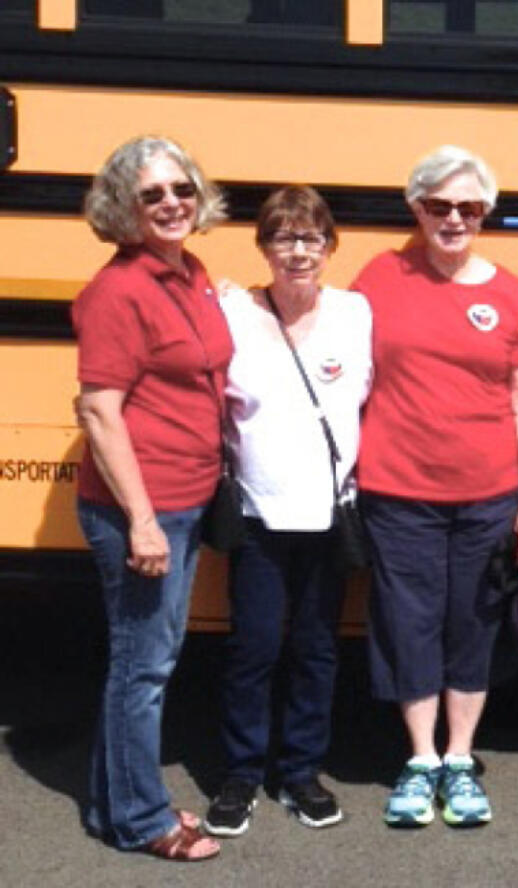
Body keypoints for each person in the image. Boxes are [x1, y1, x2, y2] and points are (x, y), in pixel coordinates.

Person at [352, 145, 518, 828]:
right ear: (417, 209)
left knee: (472, 624)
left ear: (487, 213)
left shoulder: (511, 295)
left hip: (488, 493)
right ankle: (419, 760)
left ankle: (460, 760)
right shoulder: (379, 277)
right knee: (409, 625)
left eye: (469, 207)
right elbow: (325, 340)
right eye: (439, 206)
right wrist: (245, 302)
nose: (454, 219)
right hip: (397, 490)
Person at [73, 135, 230, 861]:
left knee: (143, 660)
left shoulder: (190, 271)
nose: (171, 204)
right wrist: (140, 522)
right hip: (145, 506)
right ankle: (142, 822)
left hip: (187, 497)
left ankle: (116, 807)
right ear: (122, 209)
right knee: (145, 668)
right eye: (152, 195)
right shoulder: (118, 290)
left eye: (181, 190)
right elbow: (100, 411)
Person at [203, 187, 371, 837]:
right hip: (256, 516)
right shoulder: (233, 311)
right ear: (263, 247)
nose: (297, 251)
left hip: (331, 516)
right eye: (283, 238)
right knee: (254, 647)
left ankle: (300, 772)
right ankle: (242, 774)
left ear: (330, 246)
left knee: (316, 647)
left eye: (311, 238)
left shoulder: (356, 313)